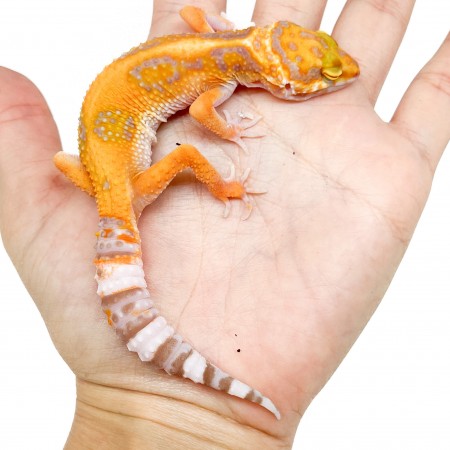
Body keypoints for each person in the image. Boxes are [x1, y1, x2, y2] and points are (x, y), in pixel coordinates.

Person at [0, 1, 448, 448]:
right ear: (279, 81)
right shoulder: (221, 76)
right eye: (326, 76)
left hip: (104, 175)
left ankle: (109, 189)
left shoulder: (216, 41)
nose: (345, 73)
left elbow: (194, 13)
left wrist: (104, 189)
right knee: (187, 155)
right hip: (130, 187)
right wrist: (227, 153)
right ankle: (224, 189)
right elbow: (199, 116)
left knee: (75, 164)